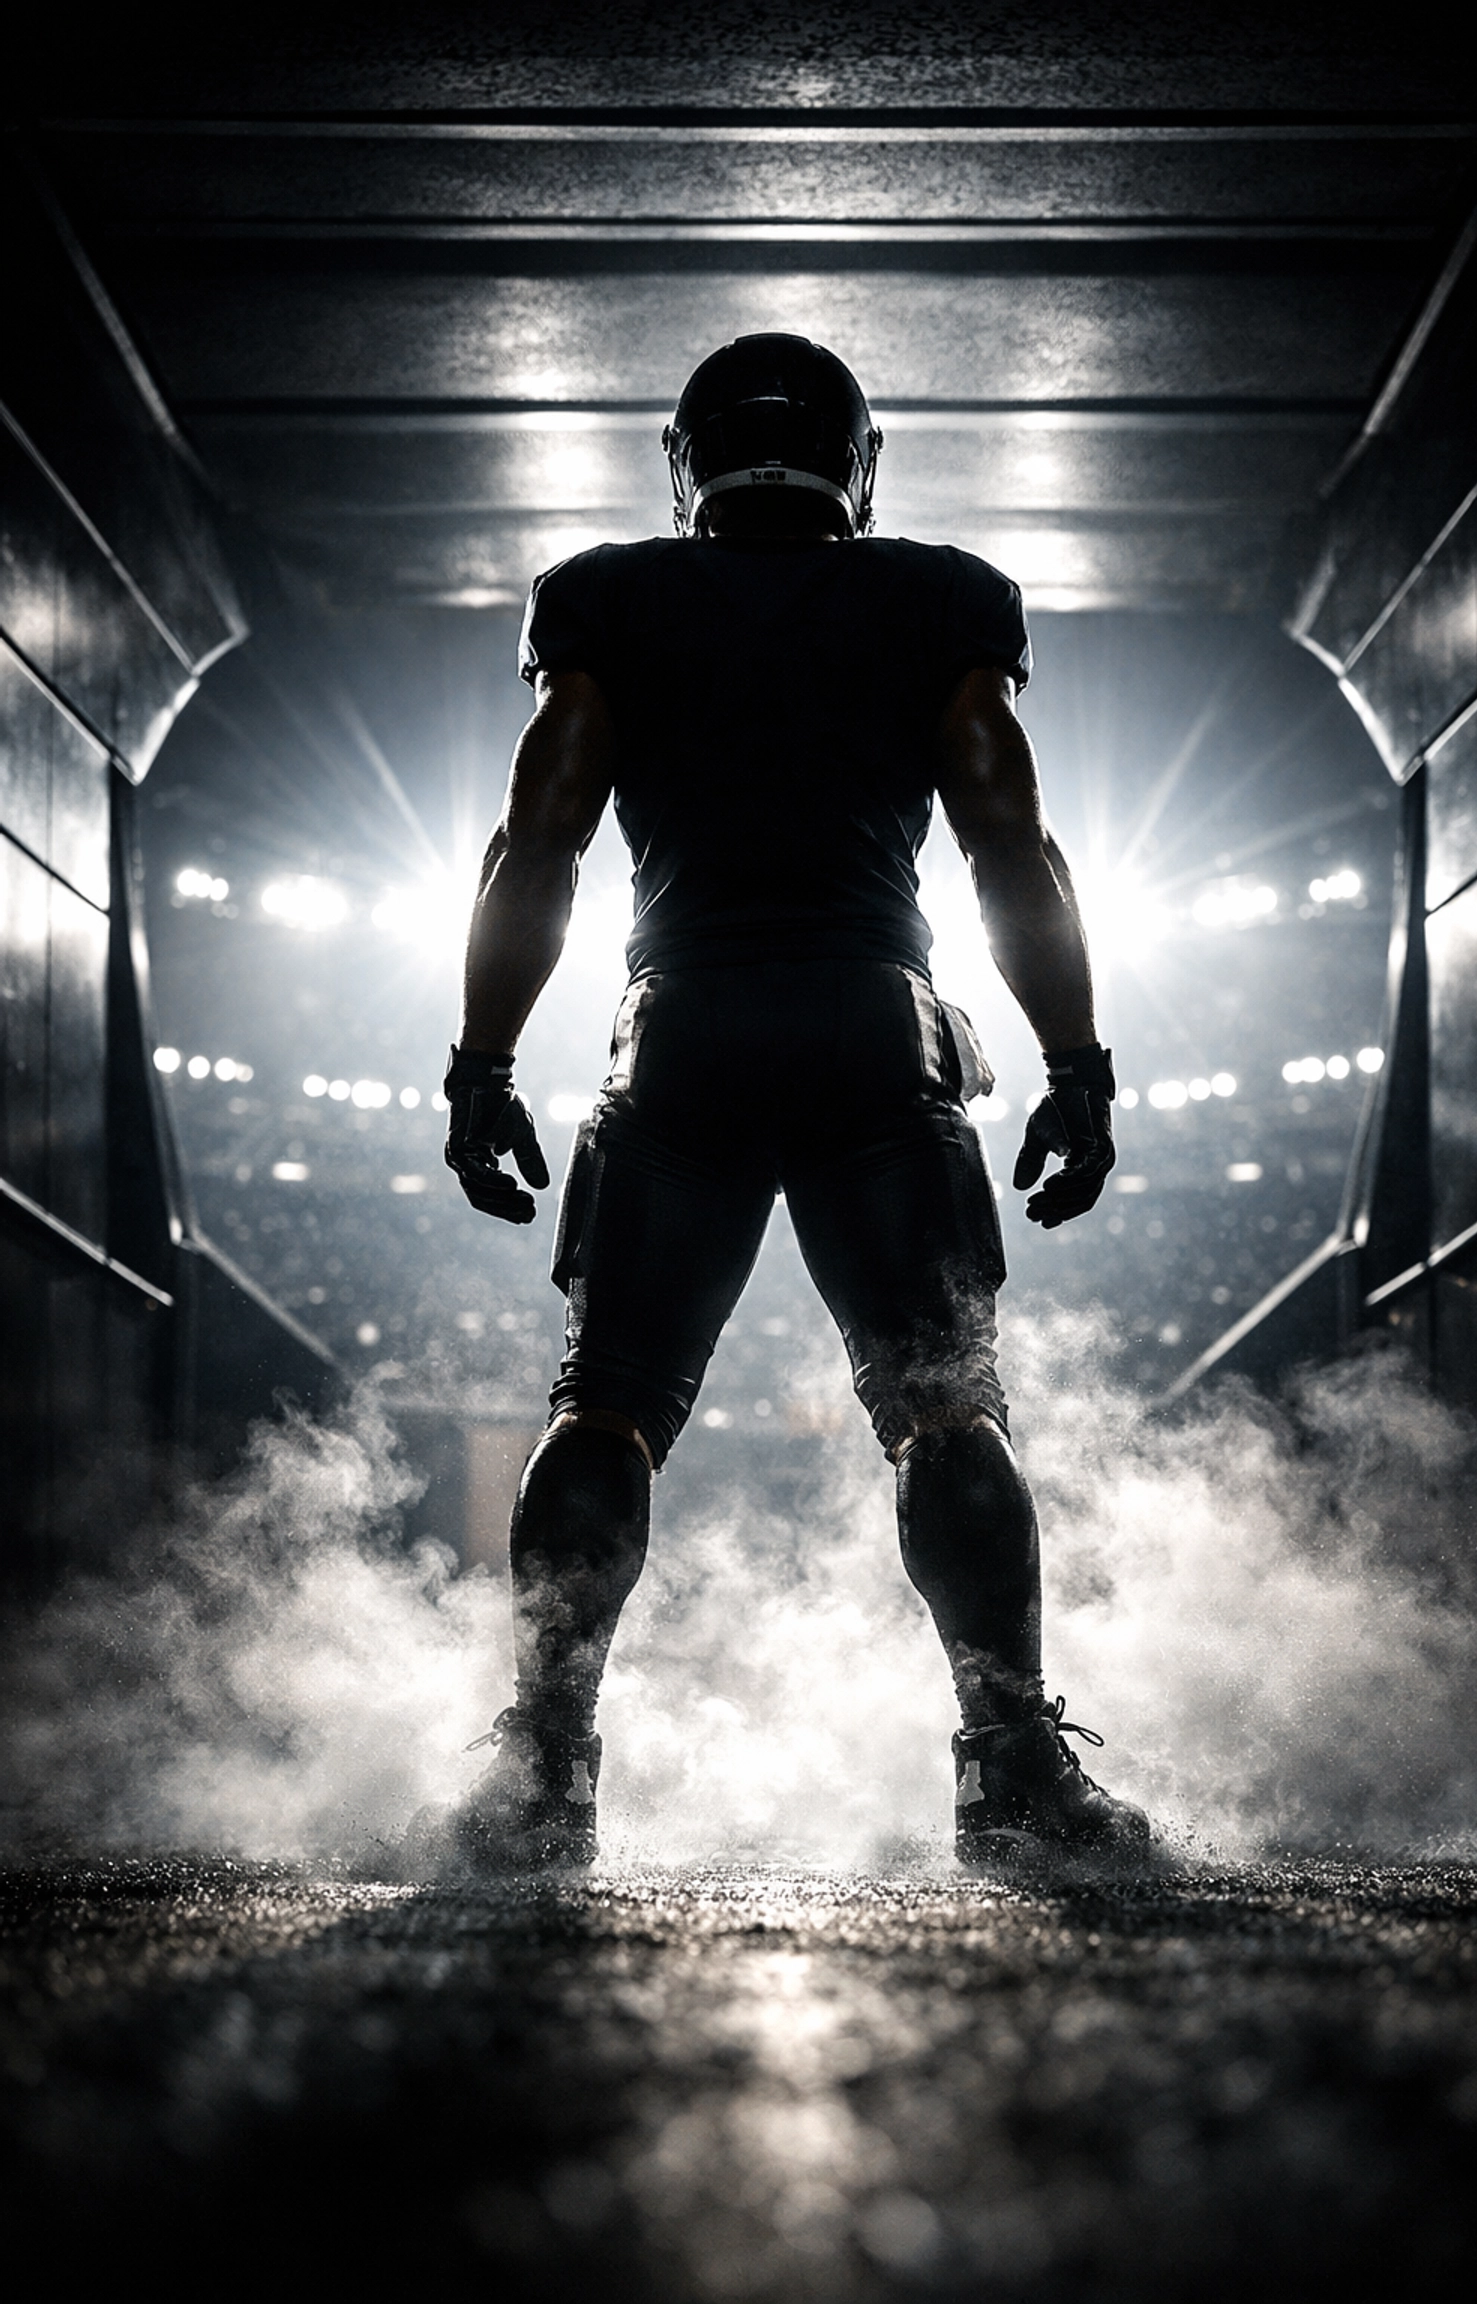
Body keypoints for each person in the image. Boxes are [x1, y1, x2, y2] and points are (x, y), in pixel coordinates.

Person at [443, 333, 1148, 1872]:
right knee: (947, 1412)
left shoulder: (608, 598)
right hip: (869, 1031)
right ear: (861, 462)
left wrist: (483, 1063)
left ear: (685, 462)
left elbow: (541, 843)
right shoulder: (937, 596)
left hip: (679, 1024)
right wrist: (1077, 1065)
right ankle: (1010, 1761)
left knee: (607, 1405)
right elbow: (1007, 847)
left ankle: (545, 1771)